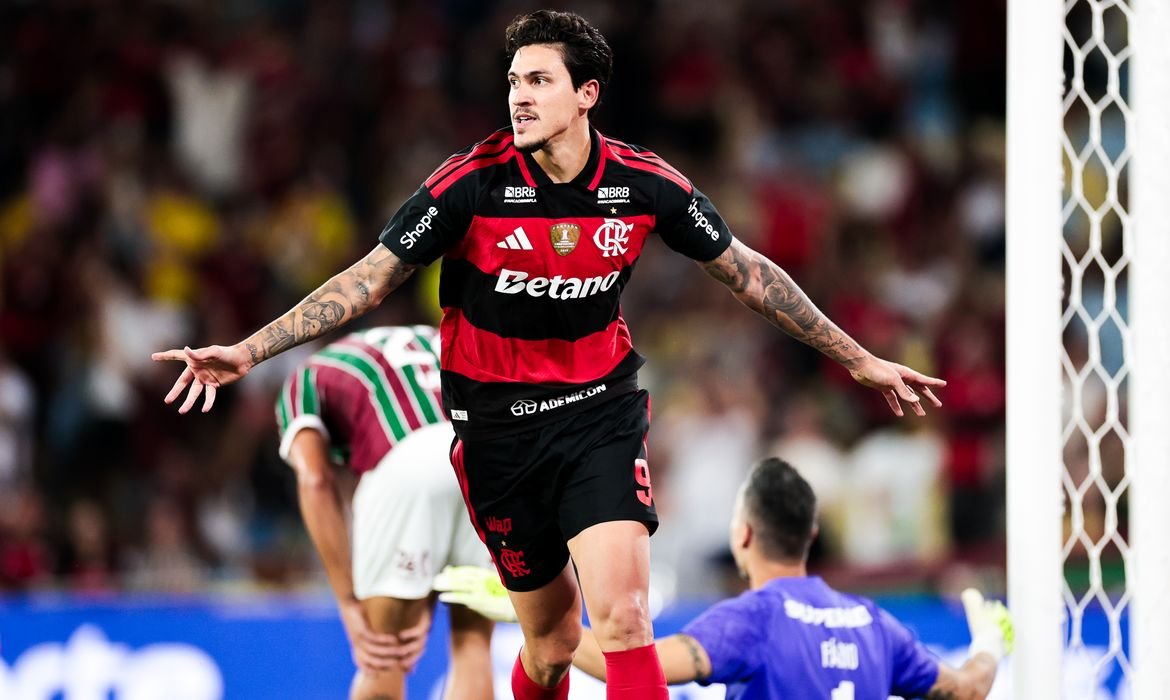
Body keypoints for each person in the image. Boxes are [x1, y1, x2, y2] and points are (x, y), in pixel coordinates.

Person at [152, 10, 946, 699]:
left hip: (598, 414)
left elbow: (748, 273)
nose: (519, 97)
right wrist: (249, 350)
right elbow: (367, 280)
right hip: (497, 436)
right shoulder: (470, 184)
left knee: (625, 618)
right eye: (513, 82)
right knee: (553, 643)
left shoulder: (642, 184)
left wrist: (858, 358)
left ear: (586, 94)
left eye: (538, 80)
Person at [566, 458, 1013, 699]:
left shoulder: (753, 620)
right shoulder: (873, 623)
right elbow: (967, 690)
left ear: (743, 534)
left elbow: (634, 667)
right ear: (810, 535)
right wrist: (989, 643)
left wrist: (543, 625)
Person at [275, 325, 499, 700]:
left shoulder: (309, 374)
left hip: (406, 463)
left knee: (384, 654)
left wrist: (349, 600)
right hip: (489, 463)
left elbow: (315, 480)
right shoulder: (435, 335)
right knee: (473, 645)